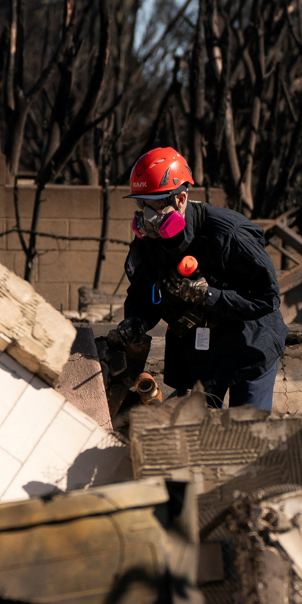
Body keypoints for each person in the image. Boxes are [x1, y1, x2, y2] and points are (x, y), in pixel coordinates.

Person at [111, 147, 286, 411]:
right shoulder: (148, 243)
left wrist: (208, 295)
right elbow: (142, 290)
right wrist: (137, 319)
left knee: (246, 436)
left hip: (248, 342)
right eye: (141, 203)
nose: (147, 215)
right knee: (190, 436)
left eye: (155, 204)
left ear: (180, 199)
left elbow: (267, 297)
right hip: (198, 349)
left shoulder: (229, 233)